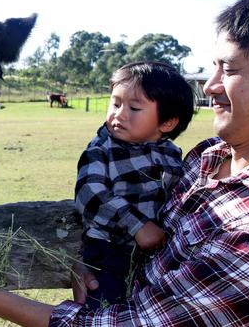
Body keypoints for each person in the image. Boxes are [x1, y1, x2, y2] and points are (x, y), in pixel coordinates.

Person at [0, 0, 249, 327]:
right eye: (214, 67)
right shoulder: (205, 159)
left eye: (230, 69)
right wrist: (92, 266)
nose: (209, 86)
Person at [73, 61, 194, 309]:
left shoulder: (172, 155)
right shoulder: (101, 149)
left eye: (134, 108)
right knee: (105, 309)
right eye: (115, 103)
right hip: (109, 254)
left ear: (168, 123)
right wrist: (137, 225)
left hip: (158, 259)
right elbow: (90, 194)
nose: (119, 114)